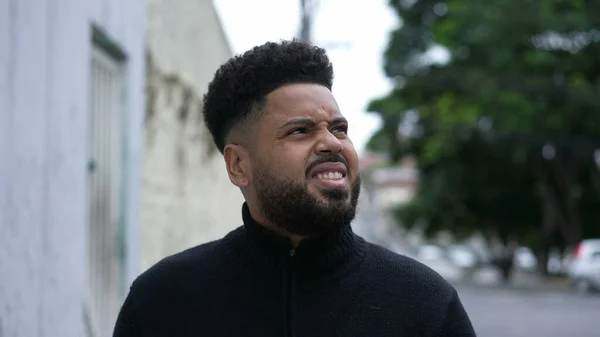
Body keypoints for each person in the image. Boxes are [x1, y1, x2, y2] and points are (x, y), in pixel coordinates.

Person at [113, 39, 476, 337]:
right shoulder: (163, 301)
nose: (332, 143)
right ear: (239, 165)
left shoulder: (424, 304)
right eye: (300, 130)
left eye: (339, 128)